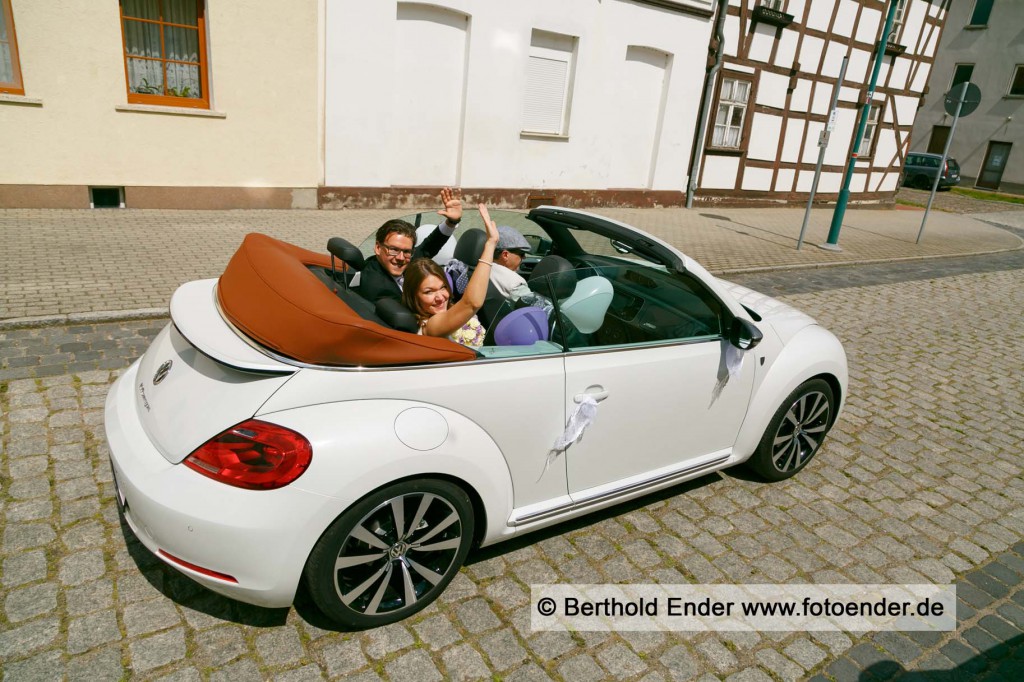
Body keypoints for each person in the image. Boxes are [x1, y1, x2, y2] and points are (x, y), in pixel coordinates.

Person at [402, 204, 500, 348]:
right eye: (428, 292)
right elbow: (472, 303)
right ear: (413, 296)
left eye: (443, 287)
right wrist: (490, 244)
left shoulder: (437, 313)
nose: (440, 297)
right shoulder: (430, 326)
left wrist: (451, 222)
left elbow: (427, 248)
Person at [357, 187, 462, 305]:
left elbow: (426, 248)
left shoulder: (384, 264)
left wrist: (451, 222)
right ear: (377, 248)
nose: (401, 258)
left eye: (407, 251)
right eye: (393, 249)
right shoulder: (380, 291)